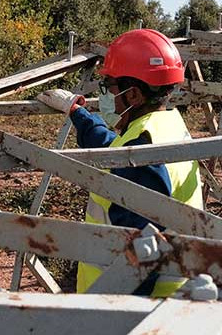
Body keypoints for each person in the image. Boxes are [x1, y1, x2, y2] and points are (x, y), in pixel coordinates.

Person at [38, 28, 203, 298]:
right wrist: (78, 112)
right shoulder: (164, 127)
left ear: (134, 95)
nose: (106, 96)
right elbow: (112, 148)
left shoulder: (142, 157)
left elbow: (139, 260)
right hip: (168, 295)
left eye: (110, 87)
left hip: (134, 306)